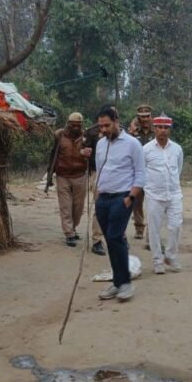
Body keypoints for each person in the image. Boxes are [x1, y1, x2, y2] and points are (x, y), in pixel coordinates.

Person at [83, 106, 145, 301]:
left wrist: (131, 197)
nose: (104, 129)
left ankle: (125, 283)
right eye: (101, 126)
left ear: (117, 121)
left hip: (122, 197)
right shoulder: (101, 144)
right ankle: (117, 282)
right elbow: (100, 169)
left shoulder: (132, 144)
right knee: (110, 240)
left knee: (115, 236)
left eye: (107, 125)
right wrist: (98, 194)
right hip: (103, 198)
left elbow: (140, 173)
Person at [142, 114, 184, 274]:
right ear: (154, 129)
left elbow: (178, 169)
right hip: (154, 195)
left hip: (174, 193)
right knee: (154, 229)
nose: (162, 130)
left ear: (170, 130)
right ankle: (157, 261)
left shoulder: (177, 149)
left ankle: (170, 256)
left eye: (166, 128)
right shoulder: (146, 150)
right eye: (159, 127)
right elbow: (142, 171)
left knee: (176, 226)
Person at [47, 112, 90, 247]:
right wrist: (49, 174)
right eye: (73, 125)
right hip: (63, 176)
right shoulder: (59, 135)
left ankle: (73, 227)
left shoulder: (86, 137)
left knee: (78, 207)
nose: (76, 127)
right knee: (65, 206)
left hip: (80, 175)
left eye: (78, 125)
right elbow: (53, 154)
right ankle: (69, 234)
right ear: (68, 124)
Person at [127, 104, 154, 241]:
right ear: (138, 117)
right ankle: (139, 228)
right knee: (137, 202)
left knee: (153, 202)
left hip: (152, 172)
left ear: (151, 116)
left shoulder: (157, 130)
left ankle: (152, 230)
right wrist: (132, 133)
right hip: (137, 171)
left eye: (147, 116)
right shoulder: (132, 131)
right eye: (142, 117)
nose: (145, 119)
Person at [83, 122, 107, 255]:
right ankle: (97, 240)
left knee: (118, 207)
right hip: (97, 173)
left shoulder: (123, 135)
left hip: (118, 175)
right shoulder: (91, 132)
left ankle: (120, 237)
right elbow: (84, 149)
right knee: (100, 206)